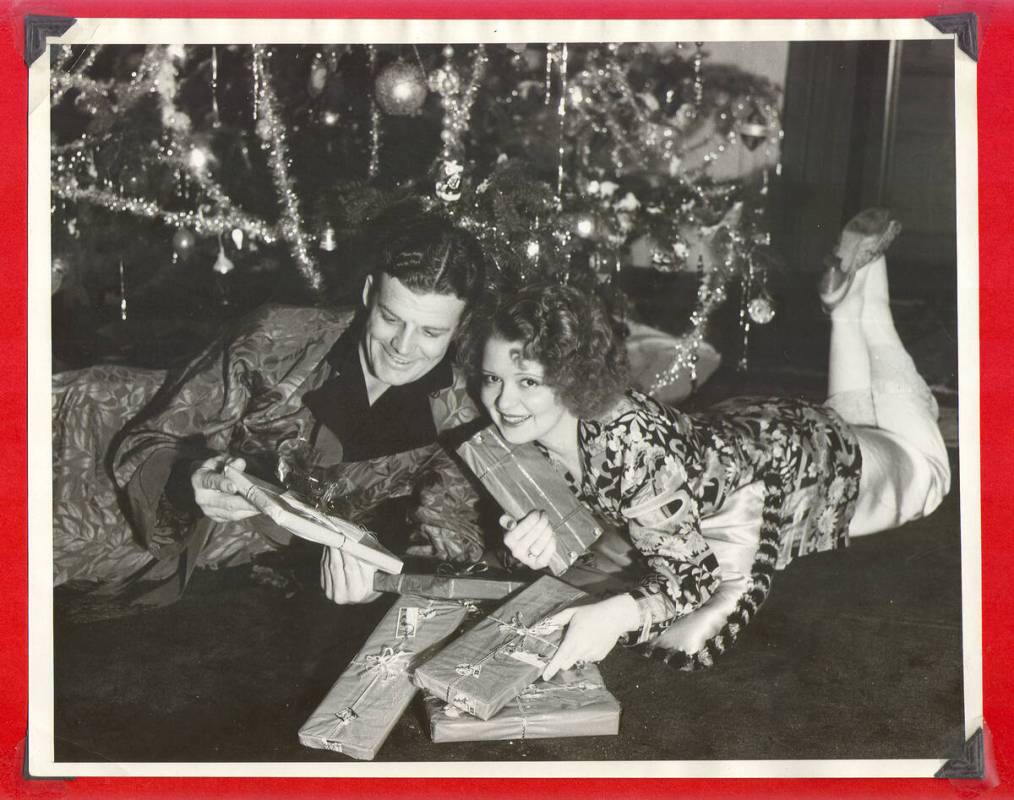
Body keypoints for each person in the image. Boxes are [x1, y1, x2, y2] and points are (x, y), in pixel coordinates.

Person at [459, 208, 951, 677]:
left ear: (569, 376)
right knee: (855, 416)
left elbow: (692, 579)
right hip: (748, 434)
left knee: (928, 473)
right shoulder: (545, 426)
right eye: (491, 378)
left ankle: (871, 295)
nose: (502, 402)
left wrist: (612, 617)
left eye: (527, 382)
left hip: (801, 463)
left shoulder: (630, 447)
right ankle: (845, 306)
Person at [56, 207, 491, 606]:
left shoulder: (456, 417)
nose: (402, 346)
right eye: (391, 318)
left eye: (431, 333)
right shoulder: (278, 337)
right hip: (86, 473)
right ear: (368, 293)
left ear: (458, 330)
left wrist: (383, 582)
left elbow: (451, 534)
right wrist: (191, 479)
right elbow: (150, 439)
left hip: (217, 582)